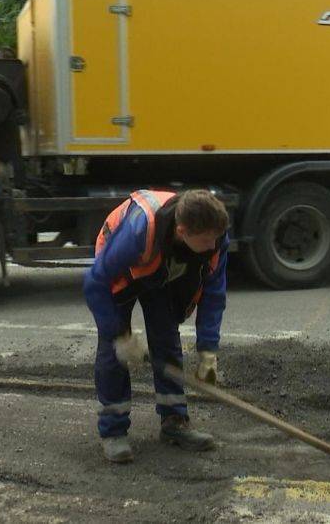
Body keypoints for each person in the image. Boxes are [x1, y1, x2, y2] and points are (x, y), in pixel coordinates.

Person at [84, 189, 230, 463]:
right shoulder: (138, 232)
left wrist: (208, 353)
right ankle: (114, 431)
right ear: (182, 230)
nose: (214, 245)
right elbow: (94, 282)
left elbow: (214, 296)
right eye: (208, 240)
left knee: (165, 336)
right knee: (113, 350)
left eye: (216, 238)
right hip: (121, 270)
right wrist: (119, 335)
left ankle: (174, 421)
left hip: (161, 269)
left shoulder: (215, 234)